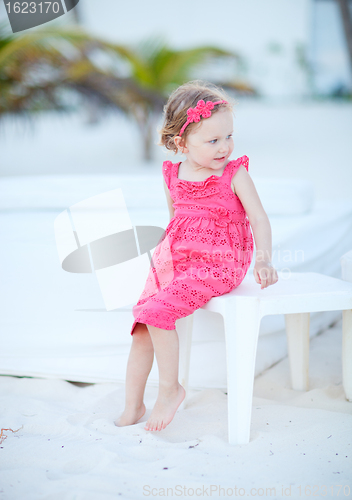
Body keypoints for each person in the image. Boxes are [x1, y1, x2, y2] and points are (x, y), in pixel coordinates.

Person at [115, 80, 278, 432]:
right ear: (181, 143)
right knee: (143, 321)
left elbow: (259, 218)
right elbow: (176, 220)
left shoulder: (235, 174)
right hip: (177, 258)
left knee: (157, 312)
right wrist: (165, 263)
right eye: (213, 140)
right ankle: (133, 405)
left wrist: (263, 260)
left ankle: (171, 390)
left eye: (229, 137)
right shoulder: (173, 175)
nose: (225, 147)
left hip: (220, 262)